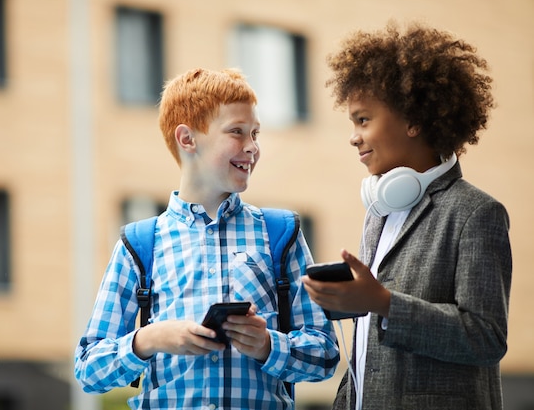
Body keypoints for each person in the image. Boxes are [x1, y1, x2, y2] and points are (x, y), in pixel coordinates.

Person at [75, 67, 340, 409]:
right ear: (187, 139)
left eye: (255, 134)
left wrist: (267, 346)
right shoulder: (139, 244)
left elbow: (325, 355)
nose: (252, 147)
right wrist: (150, 338)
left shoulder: (280, 234)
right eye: (237, 132)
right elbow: (88, 370)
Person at [302, 21, 512, 409]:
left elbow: (486, 338)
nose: (353, 136)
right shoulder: (381, 211)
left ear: (414, 121)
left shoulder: (476, 213)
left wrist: (384, 302)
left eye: (363, 120)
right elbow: (367, 355)